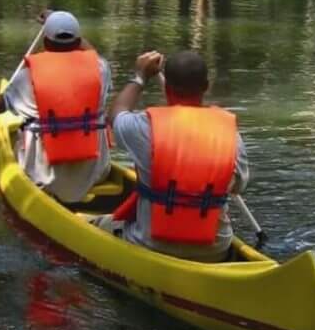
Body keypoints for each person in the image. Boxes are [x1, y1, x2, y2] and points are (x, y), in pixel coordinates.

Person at [98, 48, 249, 262]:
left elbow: (116, 114)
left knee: (96, 224)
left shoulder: (144, 127)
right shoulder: (230, 133)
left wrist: (140, 77)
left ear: (167, 88)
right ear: (206, 86)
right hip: (215, 249)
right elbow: (237, 187)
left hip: (152, 245)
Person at [0, 10, 112, 204]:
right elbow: (92, 54)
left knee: (22, 130)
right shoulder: (101, 70)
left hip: (43, 178)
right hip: (94, 174)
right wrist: (61, 24)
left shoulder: (27, 78)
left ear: (45, 42)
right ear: (78, 41)